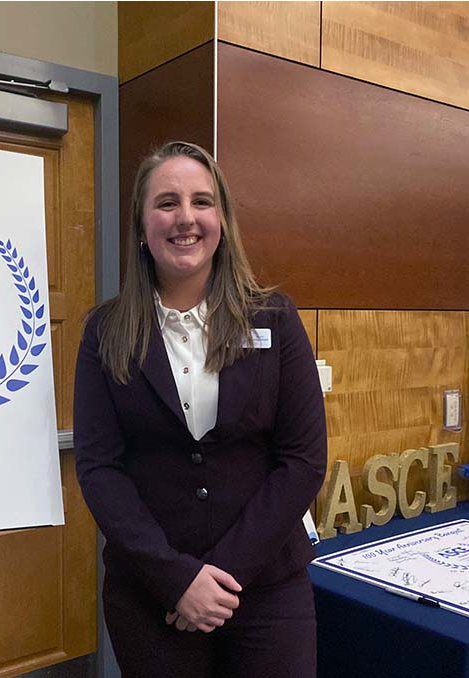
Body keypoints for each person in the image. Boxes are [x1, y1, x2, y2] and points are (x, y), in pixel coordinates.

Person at [73, 141, 327, 677]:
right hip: (152, 596)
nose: (185, 217)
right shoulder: (106, 332)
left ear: (222, 222)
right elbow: (99, 467)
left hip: (267, 589)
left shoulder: (275, 319)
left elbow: (303, 459)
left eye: (202, 202)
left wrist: (219, 577)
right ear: (142, 228)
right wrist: (176, 580)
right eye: (166, 202)